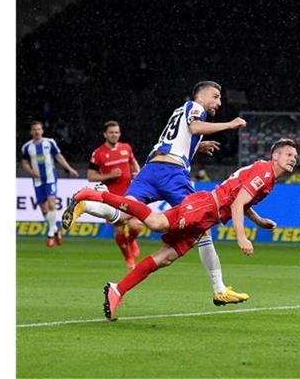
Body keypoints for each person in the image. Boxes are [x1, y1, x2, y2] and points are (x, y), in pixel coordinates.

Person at [70, 138, 298, 321]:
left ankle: (117, 290)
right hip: (203, 207)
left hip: (208, 217)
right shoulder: (265, 172)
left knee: (165, 257)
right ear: (275, 156)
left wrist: (258, 221)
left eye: (295, 156)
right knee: (156, 222)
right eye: (289, 155)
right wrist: (242, 238)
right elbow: (238, 204)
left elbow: (241, 200)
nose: (293, 159)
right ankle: (96, 195)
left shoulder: (268, 179)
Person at [64, 81, 248, 305]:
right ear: (201, 95)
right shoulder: (196, 108)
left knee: (123, 216)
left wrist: (197, 145)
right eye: (215, 96)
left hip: (151, 170)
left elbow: (179, 137)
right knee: (203, 227)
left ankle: (85, 203)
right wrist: (230, 124)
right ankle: (219, 289)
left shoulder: (181, 110)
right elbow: (196, 127)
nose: (218, 102)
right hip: (172, 175)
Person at [87, 121, 142, 268]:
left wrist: (138, 173)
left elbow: (133, 162)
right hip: (111, 198)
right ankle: (128, 257)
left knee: (136, 227)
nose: (114, 135)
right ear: (105, 134)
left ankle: (130, 241)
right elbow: (91, 176)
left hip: (129, 195)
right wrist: (109, 175)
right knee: (118, 228)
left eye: (116, 132)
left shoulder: (126, 148)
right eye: (111, 132)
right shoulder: (98, 153)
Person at [21, 120, 80, 247]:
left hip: (50, 179)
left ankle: (50, 234)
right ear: (31, 132)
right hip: (37, 181)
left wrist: (69, 169)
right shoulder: (27, 147)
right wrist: (31, 171)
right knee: (44, 211)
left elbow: (59, 156)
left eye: (39, 129)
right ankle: (56, 230)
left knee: (52, 203)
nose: (37, 131)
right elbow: (24, 162)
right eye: (34, 129)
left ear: (42, 130)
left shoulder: (50, 143)